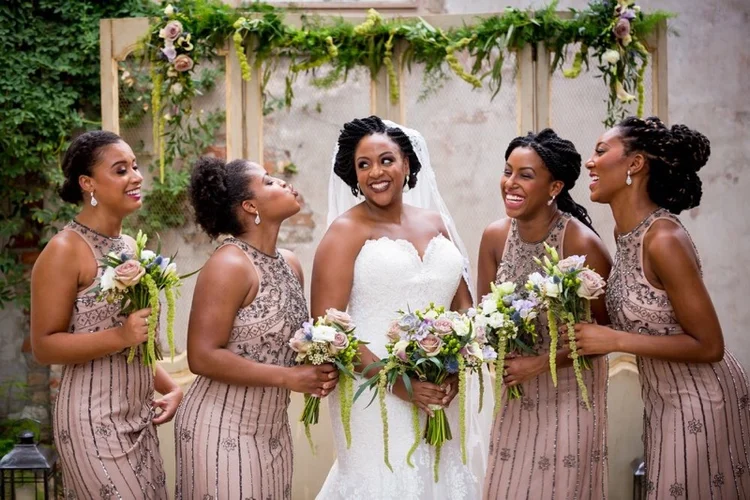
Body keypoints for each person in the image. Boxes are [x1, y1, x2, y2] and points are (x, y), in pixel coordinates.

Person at [314, 116, 489, 499]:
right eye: (364, 164)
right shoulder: (344, 232)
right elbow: (327, 328)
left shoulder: (436, 223)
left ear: (406, 163)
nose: (376, 172)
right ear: (354, 174)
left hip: (440, 388)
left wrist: (452, 372)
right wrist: (400, 385)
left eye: (386, 160)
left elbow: (463, 305)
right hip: (373, 391)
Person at [575, 116, 750, 498]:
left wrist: (613, 340)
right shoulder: (625, 236)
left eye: (601, 151)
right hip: (660, 400)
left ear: (635, 164)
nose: (590, 162)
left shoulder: (664, 239)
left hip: (701, 398)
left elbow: (710, 345)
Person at [174, 157, 338, 499]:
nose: (282, 182)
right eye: (268, 181)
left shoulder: (290, 263)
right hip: (220, 427)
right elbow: (202, 357)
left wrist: (320, 363)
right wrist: (288, 378)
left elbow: (284, 345)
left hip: (273, 431)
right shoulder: (229, 263)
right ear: (250, 206)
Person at [30, 130, 181, 499]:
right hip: (91, 420)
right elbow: (44, 347)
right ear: (88, 183)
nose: (136, 176)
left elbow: (135, 343)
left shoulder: (129, 246)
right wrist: (120, 336)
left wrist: (171, 387)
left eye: (135, 166)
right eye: (120, 170)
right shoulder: (64, 250)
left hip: (139, 417)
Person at [478, 129, 611, 499]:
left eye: (525, 175)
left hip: (571, 391)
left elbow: (608, 334)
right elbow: (482, 316)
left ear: (555, 187)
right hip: (515, 392)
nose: (511, 183)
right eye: (508, 171)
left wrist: (539, 364)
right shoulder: (494, 237)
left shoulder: (580, 242)